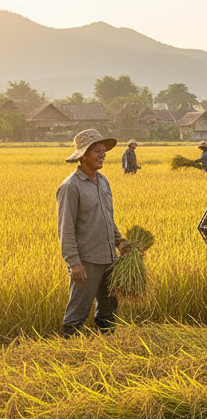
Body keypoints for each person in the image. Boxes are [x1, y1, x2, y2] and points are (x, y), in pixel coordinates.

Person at [56, 129, 126, 336]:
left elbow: (107, 217)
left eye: (103, 151)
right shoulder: (71, 187)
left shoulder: (103, 181)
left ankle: (106, 347)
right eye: (97, 151)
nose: (102, 155)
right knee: (78, 311)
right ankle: (69, 350)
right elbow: (65, 228)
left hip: (109, 257)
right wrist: (74, 263)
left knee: (109, 309)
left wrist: (120, 242)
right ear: (83, 155)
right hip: (87, 260)